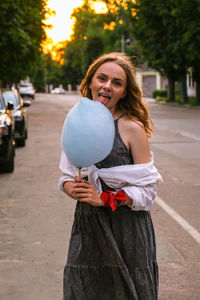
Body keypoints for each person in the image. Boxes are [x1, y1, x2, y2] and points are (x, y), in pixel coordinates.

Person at [58, 52, 162, 300]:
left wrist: (104, 198)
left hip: (128, 231)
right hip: (88, 228)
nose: (107, 86)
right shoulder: (77, 121)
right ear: (91, 82)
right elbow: (66, 176)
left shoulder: (132, 128)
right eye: (102, 78)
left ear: (125, 91)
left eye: (117, 83)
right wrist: (74, 188)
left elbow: (148, 192)